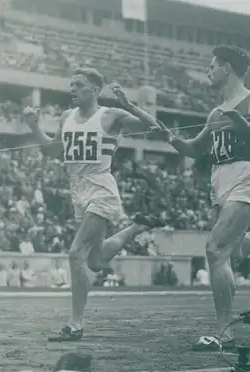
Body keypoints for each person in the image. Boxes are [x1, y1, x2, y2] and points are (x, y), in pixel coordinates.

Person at [160, 45, 250, 351]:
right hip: (219, 180)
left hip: (246, 175)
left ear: (227, 69)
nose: (208, 71)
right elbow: (195, 149)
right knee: (229, 257)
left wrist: (249, 126)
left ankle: (223, 331)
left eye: (212, 66)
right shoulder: (215, 112)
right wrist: (169, 137)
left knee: (214, 251)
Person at [23, 68, 165, 341]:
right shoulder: (67, 117)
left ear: (95, 90)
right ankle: (136, 227)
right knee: (96, 260)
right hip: (77, 188)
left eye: (78, 85)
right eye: (71, 84)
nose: (72, 89)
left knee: (75, 254)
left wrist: (127, 104)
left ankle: (75, 325)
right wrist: (34, 126)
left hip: (100, 187)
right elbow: (52, 151)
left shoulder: (109, 116)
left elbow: (154, 127)